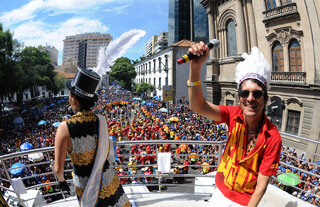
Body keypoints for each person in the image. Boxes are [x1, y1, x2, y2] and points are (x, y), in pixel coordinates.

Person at [187, 42, 282, 207]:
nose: (250, 98)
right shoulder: (233, 115)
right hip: (220, 192)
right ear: (240, 98)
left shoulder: (273, 137)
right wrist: (195, 68)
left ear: (265, 99)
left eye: (257, 93)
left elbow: (262, 184)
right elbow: (197, 106)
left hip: (245, 203)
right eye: (245, 93)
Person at [54, 67, 131, 207]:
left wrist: (61, 181)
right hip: (107, 177)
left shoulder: (64, 127)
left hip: (86, 184)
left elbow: (58, 169)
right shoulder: (101, 120)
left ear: (73, 99)